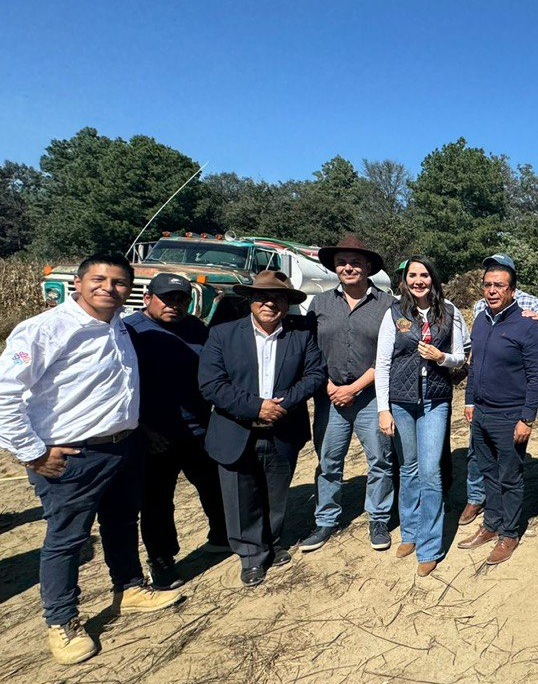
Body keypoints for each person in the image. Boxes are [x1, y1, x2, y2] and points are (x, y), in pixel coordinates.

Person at [0, 254, 184, 665]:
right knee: (67, 538)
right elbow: (5, 394)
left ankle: (129, 588)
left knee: (121, 522)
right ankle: (62, 620)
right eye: (98, 279)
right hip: (71, 454)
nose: (109, 288)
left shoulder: (117, 325)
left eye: (119, 282)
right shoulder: (44, 330)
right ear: (78, 284)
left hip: (122, 445)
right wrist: (32, 452)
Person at [199, 270, 326, 587]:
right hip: (236, 428)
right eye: (263, 297)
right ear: (250, 300)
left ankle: (271, 543)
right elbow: (212, 385)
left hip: (283, 426)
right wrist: (256, 407)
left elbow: (314, 374)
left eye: (278, 298)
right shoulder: (222, 335)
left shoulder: (300, 334)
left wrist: (282, 404)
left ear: (287, 303)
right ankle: (251, 555)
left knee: (276, 492)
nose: (270, 303)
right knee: (241, 496)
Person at [125, 273, 228, 590]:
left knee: (213, 486)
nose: (174, 304)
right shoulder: (130, 331)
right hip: (154, 434)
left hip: (198, 428)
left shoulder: (196, 328)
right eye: (167, 297)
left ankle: (222, 536)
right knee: (157, 502)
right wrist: (143, 427)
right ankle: (163, 562)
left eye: (180, 298)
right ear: (147, 298)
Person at [300, 235, 395, 553]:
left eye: (355, 262)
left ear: (368, 267)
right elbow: (309, 349)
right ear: (334, 267)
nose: (349, 267)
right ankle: (326, 520)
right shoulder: (320, 303)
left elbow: (389, 354)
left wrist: (355, 387)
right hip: (329, 396)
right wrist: (328, 385)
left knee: (380, 459)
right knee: (328, 461)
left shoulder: (386, 304)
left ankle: (378, 517)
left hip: (370, 396)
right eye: (342, 262)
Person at [376, 256, 466, 577]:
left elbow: (459, 357)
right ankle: (410, 533)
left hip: (435, 401)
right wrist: (383, 409)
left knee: (430, 472)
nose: (418, 281)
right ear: (405, 279)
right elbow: (383, 363)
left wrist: (442, 357)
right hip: (400, 401)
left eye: (424, 275)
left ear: (432, 278)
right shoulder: (394, 314)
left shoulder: (450, 312)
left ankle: (429, 546)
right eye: (412, 275)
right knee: (408, 468)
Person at [457, 259, 538, 565]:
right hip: (480, 412)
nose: (492, 290)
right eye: (488, 285)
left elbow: (537, 376)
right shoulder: (481, 319)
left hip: (510, 416)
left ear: (512, 290)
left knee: (509, 477)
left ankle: (509, 533)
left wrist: (527, 418)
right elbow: (475, 364)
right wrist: (470, 401)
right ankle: (491, 525)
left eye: (499, 285)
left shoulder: (527, 325)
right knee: (488, 473)